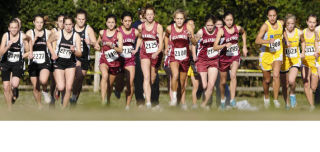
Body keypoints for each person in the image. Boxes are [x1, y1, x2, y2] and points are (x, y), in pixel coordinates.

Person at [214, 11, 248, 109]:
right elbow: (215, 47)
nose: (229, 22)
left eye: (231, 20)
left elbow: (244, 32)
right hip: (224, 57)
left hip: (235, 55)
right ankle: (223, 100)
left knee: (233, 75)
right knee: (223, 82)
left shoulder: (237, 28)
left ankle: (233, 99)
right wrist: (224, 45)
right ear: (224, 20)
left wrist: (244, 46)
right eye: (227, 20)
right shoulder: (221, 31)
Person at [47, 16, 82, 109]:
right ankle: (57, 89)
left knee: (69, 88)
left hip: (70, 63)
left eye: (70, 24)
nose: (68, 27)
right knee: (61, 87)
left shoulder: (76, 36)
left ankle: (63, 110)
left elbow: (80, 54)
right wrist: (53, 53)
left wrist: (74, 51)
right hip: (59, 63)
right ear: (63, 25)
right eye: (66, 24)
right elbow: (48, 42)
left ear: (73, 25)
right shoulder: (58, 34)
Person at [164, 9, 197, 110]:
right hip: (174, 55)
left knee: (182, 83)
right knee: (175, 75)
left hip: (185, 57)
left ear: (184, 19)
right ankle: (173, 99)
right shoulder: (169, 28)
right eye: (177, 19)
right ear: (174, 19)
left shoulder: (188, 27)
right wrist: (166, 47)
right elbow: (166, 37)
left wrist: (191, 37)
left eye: (181, 19)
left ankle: (178, 102)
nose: (179, 21)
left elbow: (194, 42)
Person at [255, 6, 286, 109]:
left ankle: (276, 100)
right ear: (267, 16)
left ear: (277, 16)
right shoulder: (265, 26)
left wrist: (287, 40)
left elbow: (286, 28)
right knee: (267, 80)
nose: (272, 18)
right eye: (270, 16)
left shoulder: (281, 23)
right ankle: (266, 98)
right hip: (266, 54)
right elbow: (257, 40)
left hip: (277, 52)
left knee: (276, 75)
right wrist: (268, 41)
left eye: (274, 15)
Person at [134, 5, 163, 109]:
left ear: (154, 15)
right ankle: (148, 103)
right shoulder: (140, 27)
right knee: (146, 77)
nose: (150, 16)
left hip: (155, 54)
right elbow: (140, 39)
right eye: (148, 14)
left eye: (151, 14)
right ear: (144, 16)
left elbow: (161, 44)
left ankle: (150, 96)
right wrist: (136, 49)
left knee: (152, 78)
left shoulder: (158, 26)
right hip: (144, 53)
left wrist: (157, 52)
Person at [0, 18, 31, 110]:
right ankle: (10, 109)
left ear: (18, 28)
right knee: (6, 87)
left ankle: (15, 91)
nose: (13, 29)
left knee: (15, 84)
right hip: (5, 63)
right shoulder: (6, 36)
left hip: (17, 63)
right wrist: (8, 46)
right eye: (12, 27)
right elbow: (1, 52)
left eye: (15, 27)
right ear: (9, 28)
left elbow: (28, 51)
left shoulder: (23, 37)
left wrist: (21, 56)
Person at [71, 9, 99, 105]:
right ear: (75, 19)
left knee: (79, 79)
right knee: (72, 79)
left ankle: (74, 99)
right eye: (79, 19)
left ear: (85, 20)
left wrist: (90, 42)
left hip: (84, 58)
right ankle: (69, 96)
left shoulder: (88, 29)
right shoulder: (70, 28)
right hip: (72, 57)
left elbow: (97, 46)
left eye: (83, 19)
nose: (81, 21)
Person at [26, 14, 52, 108]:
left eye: (41, 22)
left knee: (44, 80)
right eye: (37, 22)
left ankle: (45, 91)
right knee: (36, 87)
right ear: (34, 23)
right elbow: (26, 49)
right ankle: (39, 106)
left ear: (43, 23)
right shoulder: (29, 33)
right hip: (33, 62)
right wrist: (34, 40)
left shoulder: (48, 33)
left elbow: (55, 42)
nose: (39, 24)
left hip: (45, 61)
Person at [97, 14, 123, 105]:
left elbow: (120, 49)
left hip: (114, 61)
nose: (111, 24)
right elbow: (97, 45)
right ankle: (103, 101)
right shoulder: (101, 32)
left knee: (110, 85)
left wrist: (112, 46)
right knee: (104, 76)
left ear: (115, 23)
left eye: (112, 22)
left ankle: (107, 100)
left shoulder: (118, 34)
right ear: (106, 23)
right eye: (109, 22)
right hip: (104, 59)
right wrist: (95, 45)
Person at [195, 14, 220, 109]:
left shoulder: (218, 31)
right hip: (202, 60)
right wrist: (193, 54)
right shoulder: (201, 32)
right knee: (204, 85)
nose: (209, 27)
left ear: (214, 25)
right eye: (208, 25)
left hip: (213, 60)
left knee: (211, 85)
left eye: (211, 25)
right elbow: (193, 43)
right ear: (205, 24)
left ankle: (204, 105)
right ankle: (200, 88)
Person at [117, 11, 139, 110]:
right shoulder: (118, 30)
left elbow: (142, 37)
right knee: (119, 83)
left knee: (130, 83)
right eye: (125, 21)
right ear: (122, 21)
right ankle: (117, 90)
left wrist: (137, 48)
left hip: (130, 59)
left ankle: (127, 105)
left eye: (129, 21)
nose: (127, 23)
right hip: (119, 60)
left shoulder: (135, 31)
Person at [280, 14, 302, 109]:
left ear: (295, 23)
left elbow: (306, 40)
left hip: (295, 60)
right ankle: (287, 104)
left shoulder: (299, 32)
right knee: (284, 85)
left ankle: (292, 94)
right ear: (285, 24)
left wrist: (303, 51)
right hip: (284, 61)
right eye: (288, 23)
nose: (290, 25)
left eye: (292, 23)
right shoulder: (281, 33)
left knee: (292, 81)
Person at [300, 14, 319, 110]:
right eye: (310, 22)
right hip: (305, 61)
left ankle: (313, 104)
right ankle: (311, 106)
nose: (312, 24)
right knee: (306, 83)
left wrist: (317, 52)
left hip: (314, 62)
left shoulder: (316, 33)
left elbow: (316, 46)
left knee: (314, 87)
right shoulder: (302, 32)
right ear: (307, 22)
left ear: (316, 23)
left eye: (314, 22)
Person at [49, 14, 64, 106]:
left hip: (65, 58)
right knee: (53, 80)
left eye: (63, 21)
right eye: (60, 21)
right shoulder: (53, 31)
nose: (62, 23)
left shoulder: (69, 31)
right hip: (54, 57)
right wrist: (53, 54)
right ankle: (52, 99)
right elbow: (50, 43)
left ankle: (62, 98)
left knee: (63, 80)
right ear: (57, 23)